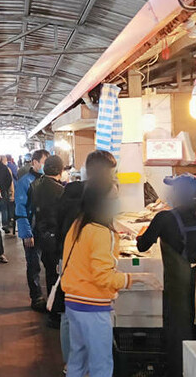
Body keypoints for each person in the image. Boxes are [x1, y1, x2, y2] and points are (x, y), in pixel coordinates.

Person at [62, 183, 152, 377]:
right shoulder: (102, 232)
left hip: (73, 302)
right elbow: (103, 277)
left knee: (77, 358)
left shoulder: (79, 225)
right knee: (101, 364)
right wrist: (136, 278)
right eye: (113, 197)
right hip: (93, 306)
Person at [136, 174, 196, 377]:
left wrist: (142, 235)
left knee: (180, 335)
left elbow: (142, 246)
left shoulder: (164, 218)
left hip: (185, 284)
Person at [54, 150, 118, 362]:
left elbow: (60, 225)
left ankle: (71, 361)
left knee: (68, 311)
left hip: (68, 256)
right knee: (84, 310)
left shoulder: (70, 191)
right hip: (83, 258)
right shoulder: (96, 196)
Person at [29, 155, 65, 327]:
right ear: (60, 170)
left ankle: (52, 311)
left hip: (42, 234)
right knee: (58, 277)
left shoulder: (35, 185)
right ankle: (56, 314)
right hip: (55, 236)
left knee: (50, 274)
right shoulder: (60, 190)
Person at [14, 149, 50, 311]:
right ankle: (36, 298)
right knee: (34, 265)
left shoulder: (48, 180)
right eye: (44, 163)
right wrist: (26, 233)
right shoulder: (24, 182)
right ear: (35, 162)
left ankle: (52, 297)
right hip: (32, 230)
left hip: (47, 230)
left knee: (50, 265)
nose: (46, 166)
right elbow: (20, 208)